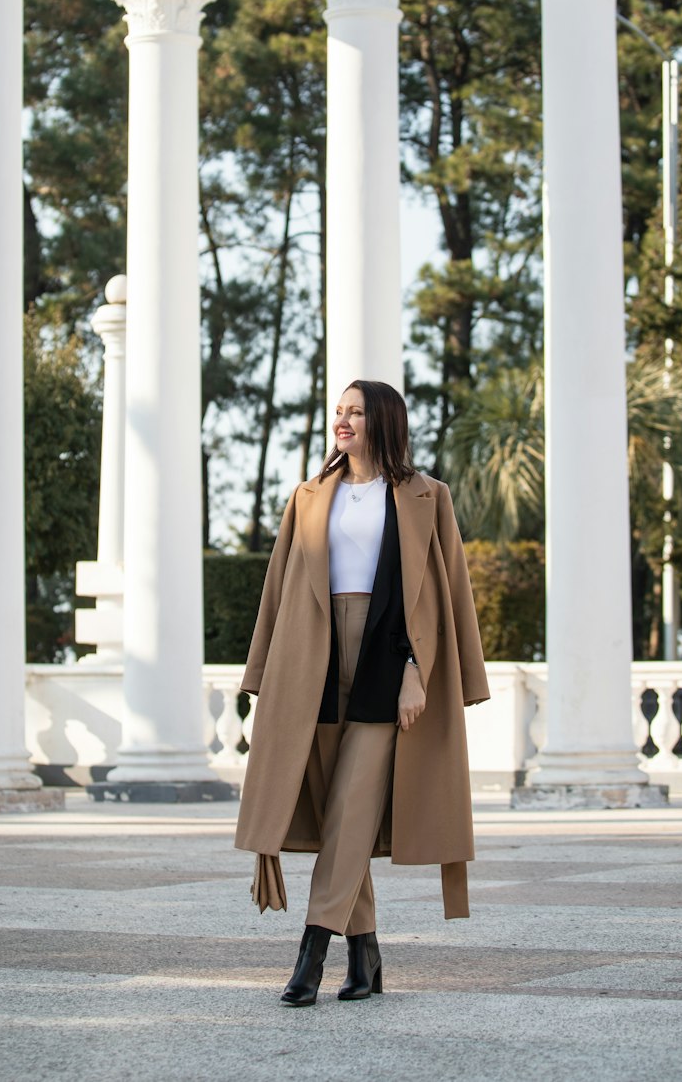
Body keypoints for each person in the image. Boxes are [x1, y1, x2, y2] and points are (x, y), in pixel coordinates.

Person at [235, 378, 489, 1006]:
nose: (342, 422)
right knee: (335, 813)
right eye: (338, 412)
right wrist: (263, 674)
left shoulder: (426, 496)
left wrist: (419, 673)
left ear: (383, 422)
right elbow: (277, 591)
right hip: (313, 664)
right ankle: (366, 955)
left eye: (355, 412)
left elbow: (447, 592)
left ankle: (311, 953)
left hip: (387, 659)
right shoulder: (309, 495)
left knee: (352, 803)